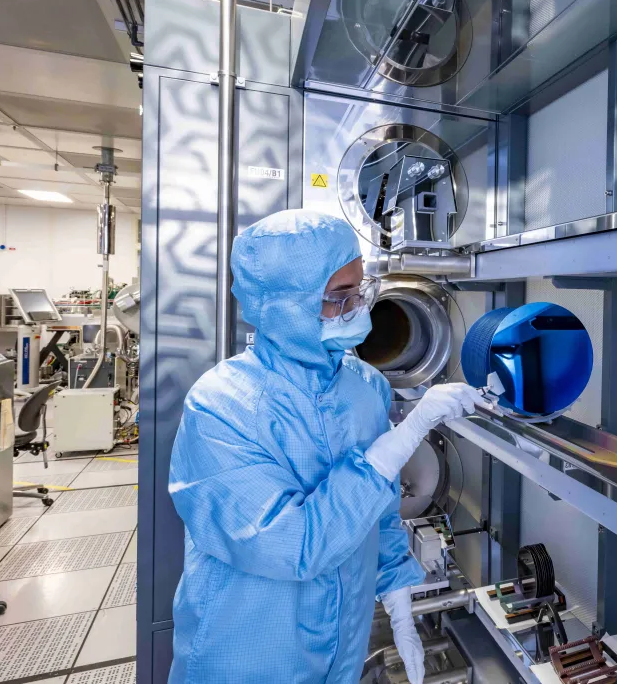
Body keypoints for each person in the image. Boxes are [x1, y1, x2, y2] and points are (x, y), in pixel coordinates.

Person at [166, 209, 483, 684]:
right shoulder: (220, 407)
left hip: (343, 644)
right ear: (281, 306)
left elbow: (376, 511)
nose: (357, 309)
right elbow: (292, 545)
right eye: (339, 298)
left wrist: (398, 594)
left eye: (360, 291)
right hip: (251, 649)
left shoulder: (365, 387)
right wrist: (405, 435)